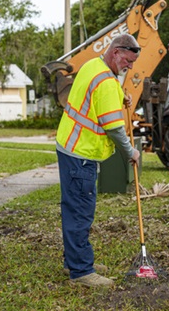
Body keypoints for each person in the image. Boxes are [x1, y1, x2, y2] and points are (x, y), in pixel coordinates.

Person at [56, 34, 141, 287]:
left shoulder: (94, 65)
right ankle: (81, 271)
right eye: (127, 60)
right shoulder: (105, 80)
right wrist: (131, 153)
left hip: (70, 148)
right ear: (115, 53)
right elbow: (114, 128)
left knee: (74, 209)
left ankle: (73, 260)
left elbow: (100, 95)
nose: (130, 66)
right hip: (82, 155)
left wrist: (120, 97)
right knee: (80, 212)